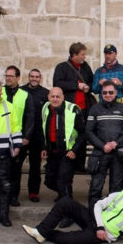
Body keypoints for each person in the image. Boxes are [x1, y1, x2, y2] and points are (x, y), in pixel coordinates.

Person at [22, 176, 123, 244]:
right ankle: (41, 231)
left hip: (104, 235)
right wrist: (99, 226)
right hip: (94, 220)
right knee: (66, 201)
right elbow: (98, 205)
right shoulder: (120, 194)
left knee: (70, 242)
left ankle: (46, 234)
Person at [86, 81, 123, 213]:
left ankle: (111, 215)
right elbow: (89, 131)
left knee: (116, 188)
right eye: (104, 93)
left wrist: (116, 143)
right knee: (95, 187)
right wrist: (103, 146)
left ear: (116, 93)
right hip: (100, 153)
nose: (107, 95)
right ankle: (92, 215)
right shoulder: (95, 109)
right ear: (101, 94)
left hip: (118, 154)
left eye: (110, 92)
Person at [41, 87, 86, 228]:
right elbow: (44, 129)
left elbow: (83, 134)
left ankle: (69, 214)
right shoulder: (45, 108)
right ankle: (63, 196)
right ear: (48, 96)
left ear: (63, 97)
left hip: (68, 153)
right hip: (53, 152)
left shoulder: (73, 109)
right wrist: (44, 147)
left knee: (63, 182)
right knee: (49, 181)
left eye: (57, 96)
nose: (55, 99)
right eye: (52, 96)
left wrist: (74, 150)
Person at [53, 42, 94, 171]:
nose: (84, 57)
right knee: (70, 135)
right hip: (69, 109)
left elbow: (92, 82)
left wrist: (88, 87)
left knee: (82, 134)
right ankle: (67, 162)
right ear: (74, 55)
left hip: (83, 108)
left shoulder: (85, 67)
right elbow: (58, 84)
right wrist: (77, 85)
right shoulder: (62, 67)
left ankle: (80, 165)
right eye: (82, 54)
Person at [2, 65, 34, 207]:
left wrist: (25, 137)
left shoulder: (25, 94)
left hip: (17, 139)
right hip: (1, 138)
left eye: (10, 76)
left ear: (17, 78)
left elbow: (30, 118)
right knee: (1, 171)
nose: (8, 78)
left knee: (15, 171)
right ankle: (1, 197)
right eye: (6, 76)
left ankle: (13, 197)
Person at [0, 79, 22, 226]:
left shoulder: (8, 106)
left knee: (5, 186)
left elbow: (16, 127)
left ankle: (3, 216)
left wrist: (17, 145)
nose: (1, 93)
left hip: (3, 153)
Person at [21, 69, 49, 202]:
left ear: (40, 78)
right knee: (16, 165)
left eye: (37, 77)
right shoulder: (21, 92)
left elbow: (47, 118)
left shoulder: (45, 94)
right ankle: (13, 193)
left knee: (35, 166)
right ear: (28, 77)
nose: (34, 79)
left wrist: (44, 144)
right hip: (22, 134)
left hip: (37, 135)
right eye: (32, 76)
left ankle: (33, 192)